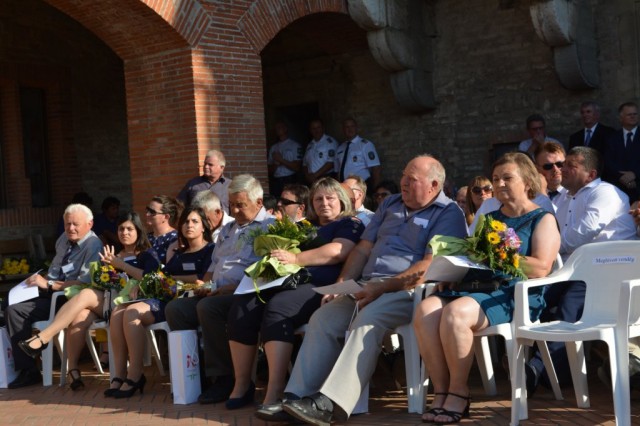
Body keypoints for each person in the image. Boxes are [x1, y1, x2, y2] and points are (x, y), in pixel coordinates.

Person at [280, 155, 467, 425]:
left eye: (411, 179)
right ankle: (295, 398)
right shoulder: (390, 204)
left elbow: (428, 266)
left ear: (434, 185)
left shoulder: (449, 213)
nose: (403, 183)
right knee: (323, 318)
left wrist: (382, 287)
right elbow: (363, 249)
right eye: (403, 176)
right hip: (366, 285)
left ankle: (331, 404)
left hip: (407, 290)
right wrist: (343, 283)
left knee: (367, 319)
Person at [414, 152, 560, 423]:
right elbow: (471, 256)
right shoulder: (489, 218)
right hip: (476, 286)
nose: (499, 184)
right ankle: (441, 391)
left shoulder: (543, 219)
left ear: (527, 181)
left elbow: (541, 267)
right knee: (425, 310)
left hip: (513, 293)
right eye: (496, 178)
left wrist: (498, 255)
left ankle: (459, 392)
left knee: (455, 314)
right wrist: (451, 272)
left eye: (507, 178)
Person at [226, 178, 365, 419]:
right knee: (243, 304)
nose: (324, 203)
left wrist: (295, 259)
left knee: (278, 307)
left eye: (330, 198)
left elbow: (338, 251)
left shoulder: (349, 224)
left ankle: (275, 390)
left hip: (322, 286)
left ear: (342, 201)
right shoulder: (304, 226)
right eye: (318, 199)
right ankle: (242, 384)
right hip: (288, 282)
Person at [525, 146, 637, 395]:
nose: (562, 169)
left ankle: (537, 369)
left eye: (570, 165)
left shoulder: (605, 192)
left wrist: (547, 247)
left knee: (569, 305)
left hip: (608, 272)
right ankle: (554, 372)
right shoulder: (563, 199)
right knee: (534, 297)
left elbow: (582, 234)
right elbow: (555, 235)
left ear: (591, 174)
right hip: (574, 271)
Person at [164, 174, 275, 405]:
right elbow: (214, 267)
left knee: (208, 308)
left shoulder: (269, 227)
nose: (234, 210)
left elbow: (267, 272)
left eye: (240, 205)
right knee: (176, 309)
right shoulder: (227, 230)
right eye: (231, 205)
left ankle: (224, 377)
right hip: (217, 291)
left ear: (259, 202)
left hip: (246, 293)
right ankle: (195, 374)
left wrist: (228, 289)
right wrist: (205, 286)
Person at [105, 207, 214, 398]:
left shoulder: (210, 250)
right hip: (163, 297)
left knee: (131, 312)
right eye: (186, 222)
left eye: (194, 221)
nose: (189, 225)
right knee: (117, 313)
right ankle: (119, 375)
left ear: (204, 226)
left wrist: (174, 279)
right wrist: (143, 284)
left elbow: (203, 280)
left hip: (182, 302)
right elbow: (160, 276)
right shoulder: (178, 253)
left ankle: (135, 374)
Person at [6, 204, 102, 388]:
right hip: (50, 294)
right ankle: (24, 369)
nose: (70, 228)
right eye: (67, 224)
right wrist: (39, 281)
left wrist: (49, 284)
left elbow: (84, 284)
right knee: (9, 307)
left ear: (89, 224)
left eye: (75, 224)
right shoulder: (63, 239)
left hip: (69, 299)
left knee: (14, 311)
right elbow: (54, 272)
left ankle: (31, 364)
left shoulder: (93, 245)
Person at [602, 102, 640, 201]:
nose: (632, 116)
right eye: (629, 114)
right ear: (621, 118)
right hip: (618, 190)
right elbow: (608, 162)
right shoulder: (612, 137)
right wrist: (623, 178)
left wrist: (635, 174)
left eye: (635, 114)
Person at [335, 118, 381, 191]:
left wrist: (376, 189)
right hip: (344, 188)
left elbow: (376, 168)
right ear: (343, 130)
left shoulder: (365, 145)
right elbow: (338, 171)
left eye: (352, 126)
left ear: (356, 128)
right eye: (347, 127)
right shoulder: (340, 148)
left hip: (361, 186)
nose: (350, 129)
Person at [268, 122, 303, 197]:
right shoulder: (273, 147)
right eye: (276, 128)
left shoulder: (295, 145)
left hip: (290, 179)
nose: (277, 129)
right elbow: (269, 169)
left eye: (279, 127)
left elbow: (297, 167)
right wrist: (276, 164)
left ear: (285, 129)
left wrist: (281, 160)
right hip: (276, 180)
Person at [145, 195, 181, 265]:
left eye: (152, 212)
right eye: (147, 210)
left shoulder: (175, 238)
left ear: (166, 216)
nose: (147, 214)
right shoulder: (146, 238)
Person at [303, 119, 338, 185]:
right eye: (313, 128)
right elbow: (304, 164)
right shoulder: (310, 145)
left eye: (318, 127)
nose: (316, 130)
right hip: (310, 179)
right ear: (310, 130)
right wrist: (307, 176)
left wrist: (315, 175)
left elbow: (331, 163)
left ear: (323, 128)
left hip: (325, 178)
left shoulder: (330, 142)